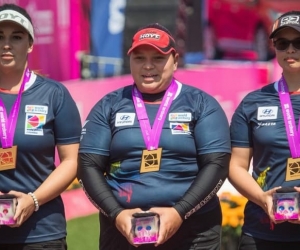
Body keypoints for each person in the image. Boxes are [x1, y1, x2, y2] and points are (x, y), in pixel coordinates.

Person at [77, 22, 231, 250]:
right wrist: (117, 214)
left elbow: (217, 163)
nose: (148, 66)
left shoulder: (201, 103)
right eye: (139, 58)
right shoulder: (109, 105)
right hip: (123, 229)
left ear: (175, 61)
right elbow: (87, 165)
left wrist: (180, 212)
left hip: (193, 230)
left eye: (158, 58)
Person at [0, 3, 82, 250]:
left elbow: (72, 161)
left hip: (41, 232)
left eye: (16, 37)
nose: (6, 44)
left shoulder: (54, 94)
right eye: (0, 36)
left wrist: (33, 200)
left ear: (30, 44)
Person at [228, 10, 300, 250]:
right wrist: (263, 199)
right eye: (282, 43)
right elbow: (236, 166)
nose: (290, 49)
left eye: (298, 42)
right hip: (262, 232)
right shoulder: (253, 102)